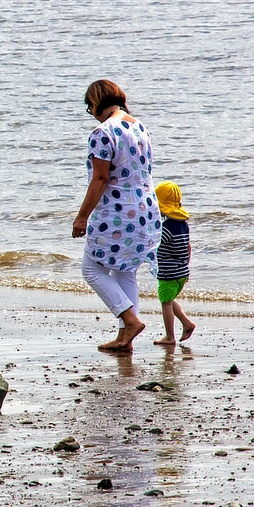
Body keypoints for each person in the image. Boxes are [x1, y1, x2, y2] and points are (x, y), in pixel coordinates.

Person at [71, 79, 162, 353]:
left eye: (90, 107)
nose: (91, 113)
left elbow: (100, 178)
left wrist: (81, 217)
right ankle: (125, 338)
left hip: (116, 212)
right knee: (125, 272)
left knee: (91, 269)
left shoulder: (103, 132)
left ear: (96, 102)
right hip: (145, 211)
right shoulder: (139, 126)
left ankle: (129, 320)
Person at [152, 181, 195, 345]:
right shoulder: (183, 225)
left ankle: (170, 336)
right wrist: (186, 266)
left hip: (168, 274)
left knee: (166, 303)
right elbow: (188, 247)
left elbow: (156, 246)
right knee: (168, 301)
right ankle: (186, 323)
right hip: (182, 273)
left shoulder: (165, 228)